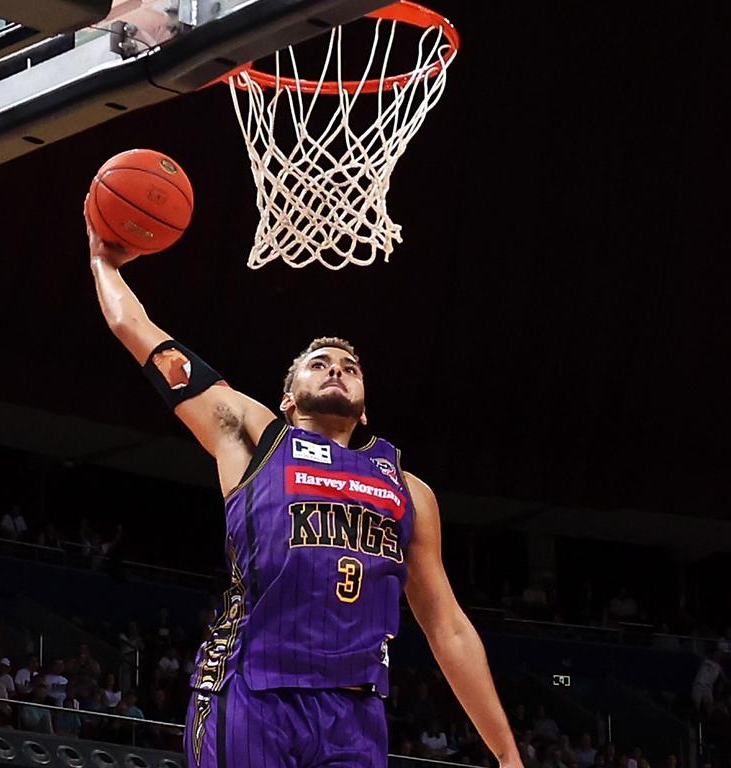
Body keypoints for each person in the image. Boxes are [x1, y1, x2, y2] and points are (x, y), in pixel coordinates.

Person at [86, 209, 520, 768]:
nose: (336, 370)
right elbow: (141, 334)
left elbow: (448, 627)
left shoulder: (408, 489)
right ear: (288, 398)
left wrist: (507, 754)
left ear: (366, 409)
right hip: (249, 690)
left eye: (350, 367)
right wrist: (103, 263)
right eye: (319, 364)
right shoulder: (255, 437)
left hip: (353, 712)